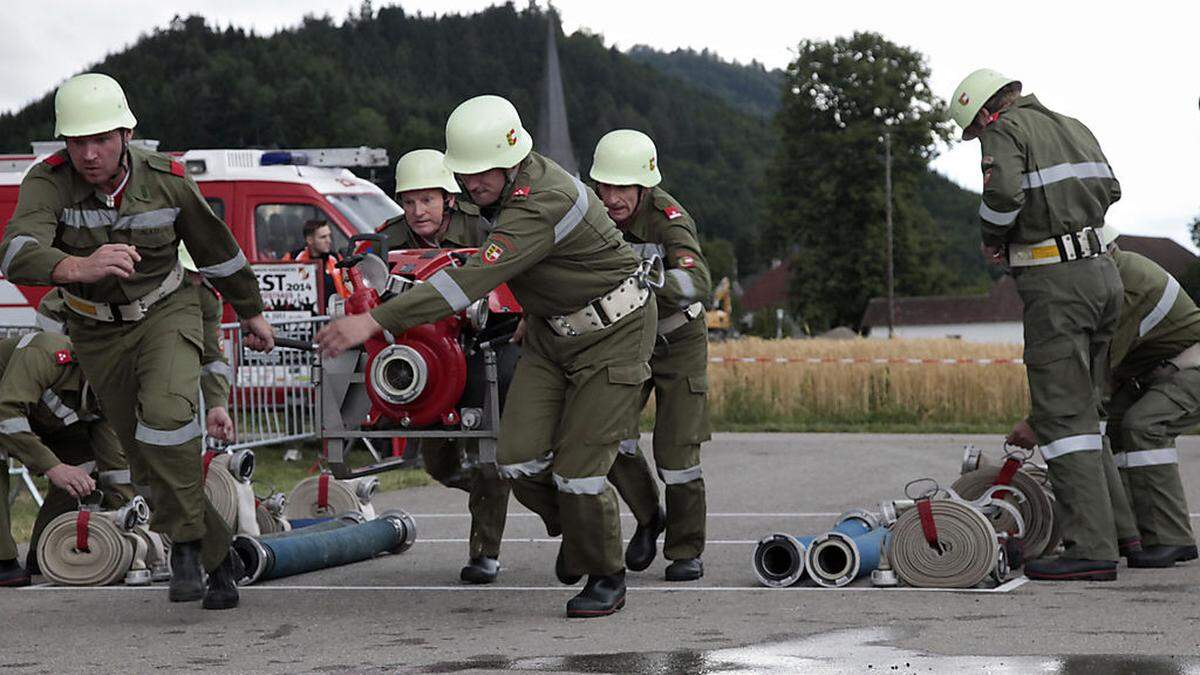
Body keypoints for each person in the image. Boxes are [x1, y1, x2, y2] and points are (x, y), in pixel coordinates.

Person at [317, 95, 655, 617]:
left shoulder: (540, 200)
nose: (470, 184)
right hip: (548, 333)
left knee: (581, 471)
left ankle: (606, 574)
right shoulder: (493, 194)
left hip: (613, 334)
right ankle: (579, 529)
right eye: (464, 174)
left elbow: (469, 279)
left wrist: (374, 319)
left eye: (481, 174)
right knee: (516, 459)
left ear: (511, 159)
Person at [0, 73, 274, 609]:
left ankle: (189, 548)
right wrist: (77, 265)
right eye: (77, 141)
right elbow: (13, 251)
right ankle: (213, 553)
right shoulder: (47, 181)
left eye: (101, 139)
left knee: (168, 421)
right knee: (143, 459)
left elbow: (218, 250)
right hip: (95, 332)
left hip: (165, 313)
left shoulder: (167, 178)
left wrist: (252, 310)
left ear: (126, 133)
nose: (89, 153)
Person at [950, 68, 1123, 581]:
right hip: (1103, 274)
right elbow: (1111, 188)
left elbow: (1002, 195)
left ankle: (1091, 547)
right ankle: (1127, 533)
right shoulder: (1073, 125)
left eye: (976, 131)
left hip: (1057, 283)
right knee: (1087, 413)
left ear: (986, 113)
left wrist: (993, 239)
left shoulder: (1006, 129)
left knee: (1065, 420)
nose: (981, 140)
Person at [376, 149, 513, 584]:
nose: (418, 212)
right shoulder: (388, 238)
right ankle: (493, 495)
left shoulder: (482, 228)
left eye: (427, 201)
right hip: (424, 366)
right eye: (409, 201)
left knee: (489, 454)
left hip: (482, 350)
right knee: (439, 464)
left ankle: (484, 553)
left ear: (448, 198)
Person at [590, 130, 711, 581]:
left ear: (644, 186)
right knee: (612, 436)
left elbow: (696, 282)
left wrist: (650, 281)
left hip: (678, 338)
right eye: (606, 187)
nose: (613, 198)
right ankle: (648, 516)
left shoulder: (669, 219)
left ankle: (684, 549)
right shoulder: (592, 216)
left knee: (677, 451)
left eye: (623, 188)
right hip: (624, 339)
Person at [0, 331, 135, 587]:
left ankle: (44, 551)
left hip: (33, 416)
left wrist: (128, 522)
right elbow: (5, 414)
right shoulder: (46, 353)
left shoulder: (106, 394)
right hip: (4, 407)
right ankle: (2, 559)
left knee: (83, 463)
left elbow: (115, 465)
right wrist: (53, 467)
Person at [1097, 229, 1197, 567]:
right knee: (1113, 428)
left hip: (1190, 366)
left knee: (1145, 425)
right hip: (1161, 371)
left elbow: (1100, 366)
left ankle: (1171, 538)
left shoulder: (1126, 286)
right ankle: (1132, 531)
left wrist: (1043, 421)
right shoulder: (1115, 272)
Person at [285, 219, 344, 306]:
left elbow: (347, 291)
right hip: (303, 315)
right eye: (323, 237)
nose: (329, 241)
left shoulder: (336, 259)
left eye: (329, 236)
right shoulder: (292, 258)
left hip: (334, 314)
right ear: (309, 240)